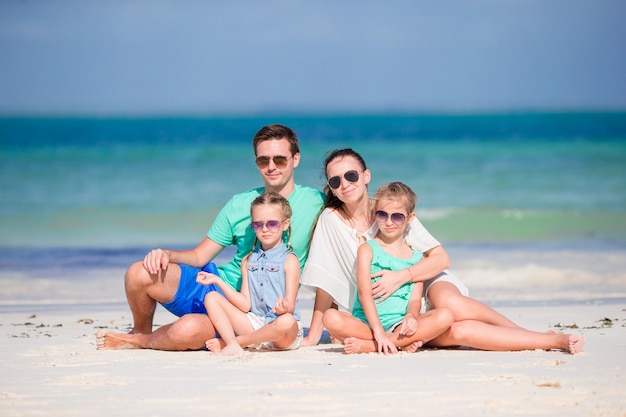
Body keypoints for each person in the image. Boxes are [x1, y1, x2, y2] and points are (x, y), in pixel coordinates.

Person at [301, 148, 585, 354]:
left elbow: (440, 258)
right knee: (459, 331)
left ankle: (527, 335)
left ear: (365, 176)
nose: (344, 184)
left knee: (452, 304)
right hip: (387, 309)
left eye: (350, 175)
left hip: (423, 278)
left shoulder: (389, 208)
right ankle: (548, 341)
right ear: (331, 188)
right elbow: (326, 281)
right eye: (335, 181)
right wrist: (313, 337)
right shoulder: (331, 220)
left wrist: (402, 276)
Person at [96, 124, 324, 351]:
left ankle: (139, 342)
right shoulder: (239, 204)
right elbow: (199, 255)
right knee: (139, 272)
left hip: (247, 314)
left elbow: (335, 261)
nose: (271, 167)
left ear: (296, 159)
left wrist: (323, 328)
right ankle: (141, 331)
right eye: (263, 160)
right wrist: (168, 254)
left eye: (280, 160)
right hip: (215, 284)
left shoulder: (316, 203)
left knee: (186, 330)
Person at [323, 181, 453, 354]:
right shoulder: (367, 249)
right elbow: (364, 292)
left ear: (410, 218)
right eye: (382, 215)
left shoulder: (417, 258)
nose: (389, 222)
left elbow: (414, 299)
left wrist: (411, 316)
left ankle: (372, 346)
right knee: (330, 318)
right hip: (366, 324)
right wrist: (377, 331)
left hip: (398, 325)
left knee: (445, 315)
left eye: (397, 217)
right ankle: (395, 343)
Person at [198, 192, 303, 356]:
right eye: (258, 225)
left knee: (287, 321)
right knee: (211, 297)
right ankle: (236, 343)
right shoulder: (248, 261)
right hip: (255, 323)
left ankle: (236, 342)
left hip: (281, 332)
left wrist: (284, 308)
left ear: (285, 224)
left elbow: (291, 306)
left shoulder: (290, 260)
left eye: (272, 224)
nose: (265, 229)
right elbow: (245, 305)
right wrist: (217, 281)